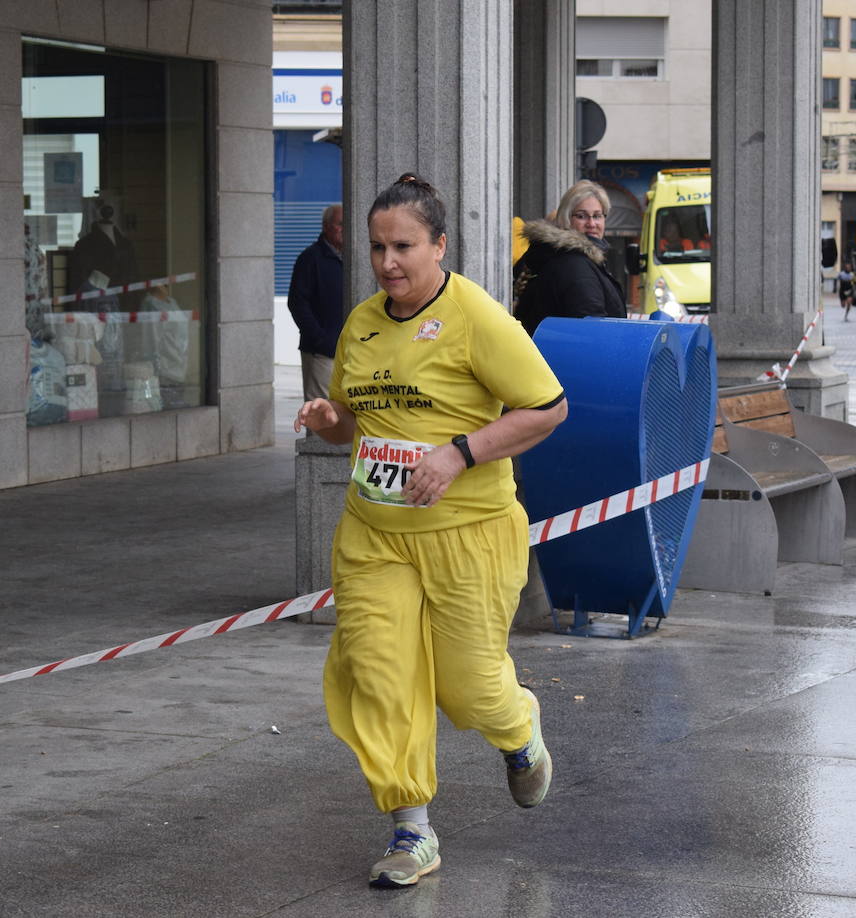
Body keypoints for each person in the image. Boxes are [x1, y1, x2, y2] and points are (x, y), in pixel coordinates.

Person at [294, 174, 569, 889]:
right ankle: (410, 830)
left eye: (404, 246)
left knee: (470, 688)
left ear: (439, 245)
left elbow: (547, 407)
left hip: (468, 533)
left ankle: (518, 731)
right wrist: (332, 423)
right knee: (382, 677)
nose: (388, 261)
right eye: (378, 246)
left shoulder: (477, 317)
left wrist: (460, 452)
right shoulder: (361, 323)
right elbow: (357, 421)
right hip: (374, 534)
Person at [511, 179, 627, 335]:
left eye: (597, 216)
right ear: (566, 219)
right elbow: (593, 332)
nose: (592, 223)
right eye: (581, 216)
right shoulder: (574, 264)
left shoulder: (572, 258)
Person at [287, 204, 345, 400]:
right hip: (321, 354)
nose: (345, 229)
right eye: (340, 224)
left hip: (349, 352)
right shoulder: (310, 259)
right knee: (320, 415)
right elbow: (297, 304)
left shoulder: (352, 259)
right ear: (326, 226)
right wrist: (321, 341)